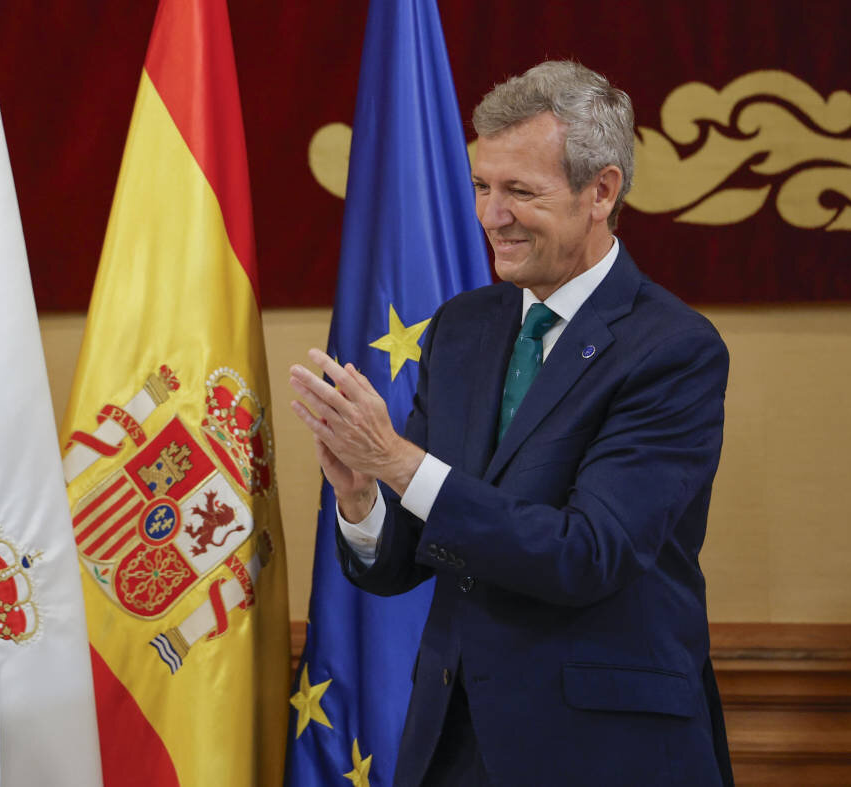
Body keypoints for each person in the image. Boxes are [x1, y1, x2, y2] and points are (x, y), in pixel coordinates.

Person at [290, 61, 733, 786]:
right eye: (481, 186)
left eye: (520, 192)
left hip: (604, 752)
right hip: (453, 744)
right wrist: (362, 497)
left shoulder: (672, 349)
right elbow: (412, 555)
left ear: (602, 191)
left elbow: (588, 553)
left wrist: (398, 461)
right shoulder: (462, 328)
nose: (491, 215)